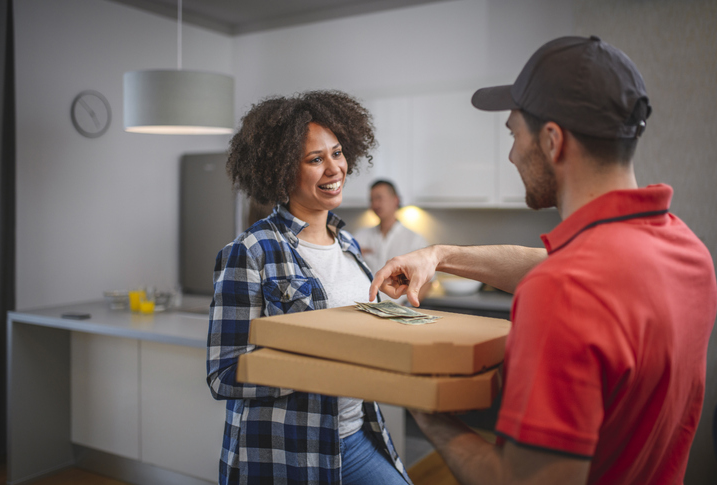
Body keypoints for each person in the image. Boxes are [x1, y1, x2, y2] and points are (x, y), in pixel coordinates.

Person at [369, 35, 717, 485]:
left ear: (553, 141)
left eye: (514, 133)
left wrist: (421, 403)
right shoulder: (686, 249)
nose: (512, 154)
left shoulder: (562, 290)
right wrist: (440, 254)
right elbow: (552, 265)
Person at [206, 90, 413, 485]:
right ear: (282, 171)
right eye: (315, 159)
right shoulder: (250, 251)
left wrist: (388, 302)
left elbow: (350, 325)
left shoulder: (348, 244)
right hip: (289, 451)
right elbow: (224, 373)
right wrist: (324, 368)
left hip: (356, 433)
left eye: (337, 153)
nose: (334, 168)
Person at [354, 180, 430, 302]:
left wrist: (407, 307)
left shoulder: (415, 240)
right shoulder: (360, 237)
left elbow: (428, 282)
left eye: (379, 198)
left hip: (398, 309)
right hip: (365, 308)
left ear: (396, 200)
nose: (375, 204)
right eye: (372, 200)